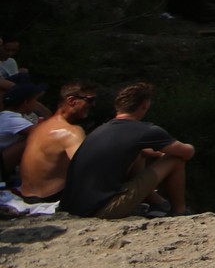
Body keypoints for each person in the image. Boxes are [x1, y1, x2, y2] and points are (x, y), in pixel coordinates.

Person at [60, 82, 194, 219]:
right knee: (176, 159)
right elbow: (187, 152)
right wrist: (186, 147)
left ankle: (158, 203)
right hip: (100, 210)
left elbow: (132, 148)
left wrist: (154, 152)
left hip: (74, 207)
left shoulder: (101, 129)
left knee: (139, 152)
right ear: (145, 105)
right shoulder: (146, 131)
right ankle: (180, 211)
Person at [17, 82, 97, 204]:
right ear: (71, 101)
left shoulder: (39, 127)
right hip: (51, 196)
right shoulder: (71, 132)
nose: (93, 104)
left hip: (26, 195)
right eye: (90, 100)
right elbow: (88, 170)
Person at [1, 81, 48, 175]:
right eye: (35, 100)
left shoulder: (5, 116)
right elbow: (45, 133)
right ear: (26, 102)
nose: (37, 104)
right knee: (33, 139)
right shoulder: (12, 119)